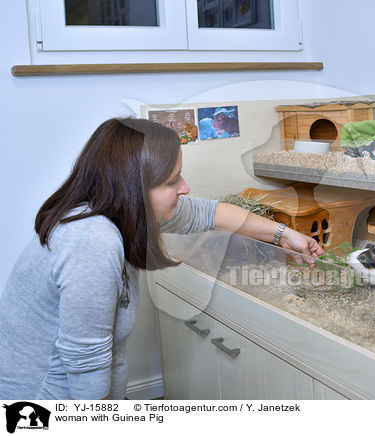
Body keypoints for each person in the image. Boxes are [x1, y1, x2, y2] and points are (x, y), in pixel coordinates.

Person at [0, 118, 323, 400]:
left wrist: (285, 235)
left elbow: (211, 212)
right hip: (48, 398)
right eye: (172, 181)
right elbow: (85, 355)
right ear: (133, 185)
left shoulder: (119, 207)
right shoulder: (91, 238)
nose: (184, 188)